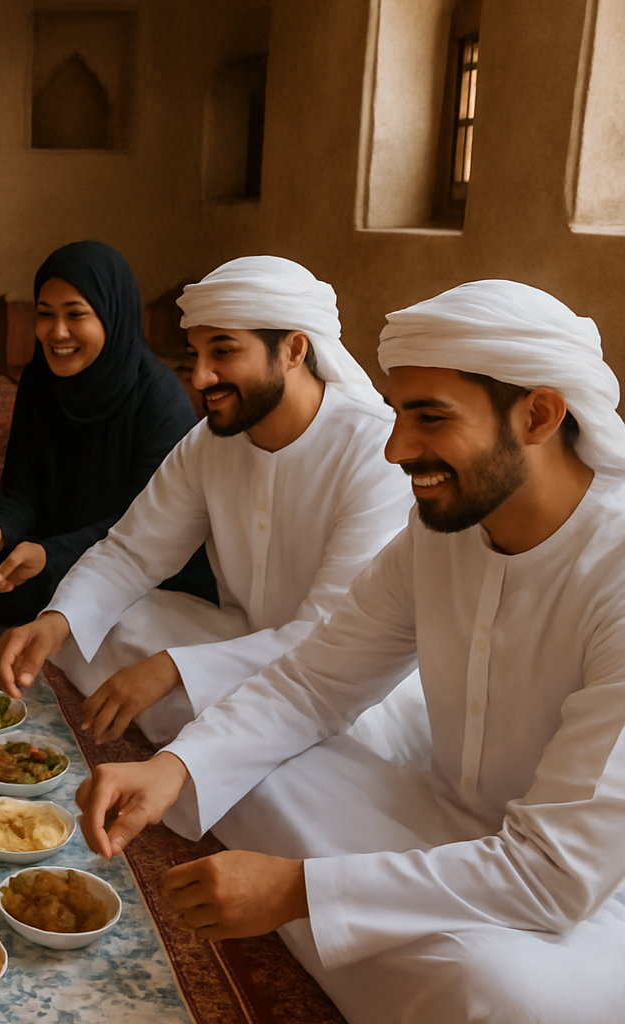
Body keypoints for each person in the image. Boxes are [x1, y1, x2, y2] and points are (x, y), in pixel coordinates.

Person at [75, 280, 625, 1024]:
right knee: (251, 776)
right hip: (454, 821)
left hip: (588, 890)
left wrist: (297, 891)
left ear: (539, 414)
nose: (397, 449)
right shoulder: (441, 535)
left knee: (497, 994)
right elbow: (311, 685)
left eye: (429, 418)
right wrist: (174, 768)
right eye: (397, 415)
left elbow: (559, 875)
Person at [0, 256, 418, 752]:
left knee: (285, 773)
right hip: (242, 639)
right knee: (114, 620)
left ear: (295, 350)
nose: (199, 378)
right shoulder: (211, 442)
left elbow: (329, 637)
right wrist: (56, 620)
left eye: (223, 352)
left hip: (341, 674)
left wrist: (173, 669)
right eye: (196, 353)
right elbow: (133, 553)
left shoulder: (375, 452)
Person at [0, 241, 214, 625]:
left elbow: (146, 527)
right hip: (47, 556)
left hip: (135, 569)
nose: (57, 333)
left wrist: (50, 554)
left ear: (112, 315)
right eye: (45, 314)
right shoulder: (40, 381)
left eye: (76, 314)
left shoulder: (160, 400)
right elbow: (20, 490)